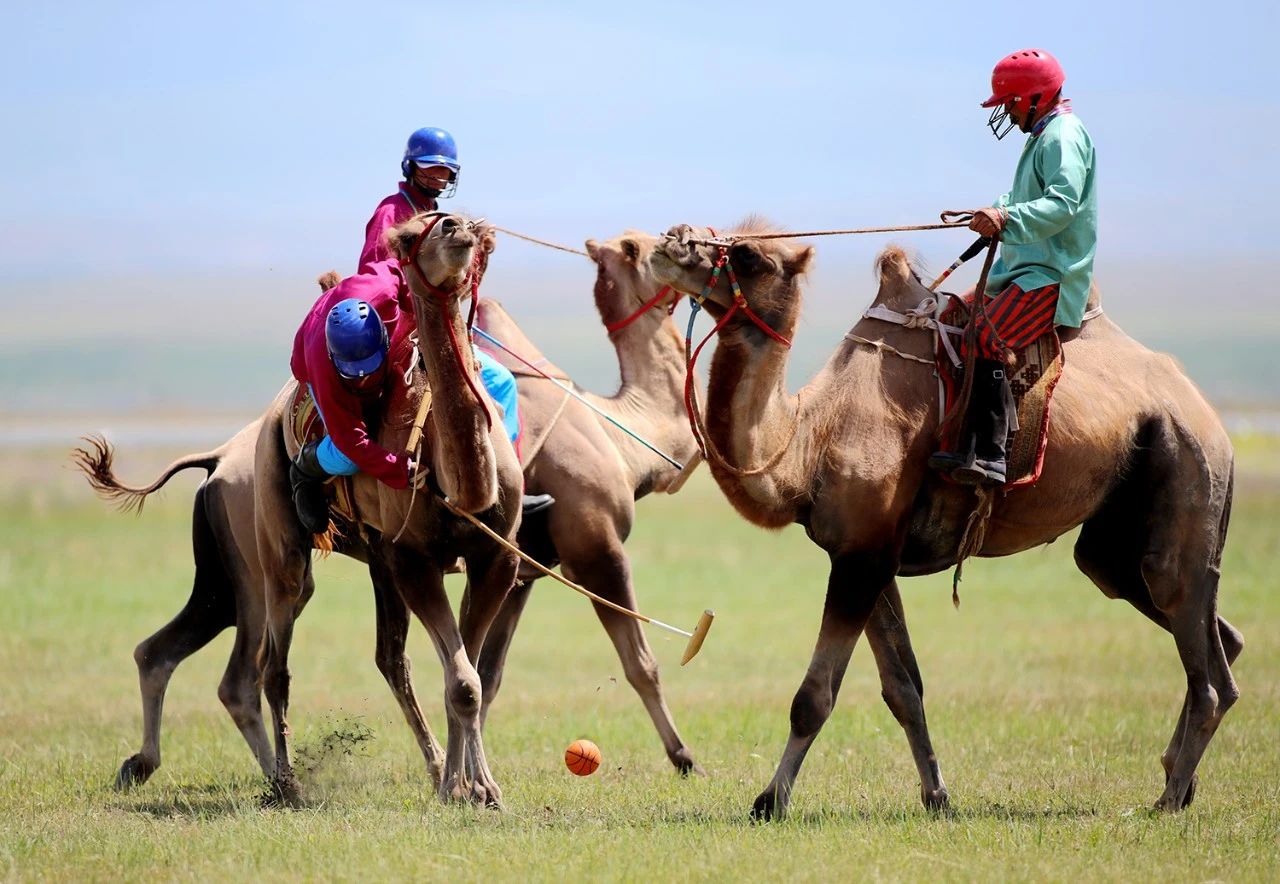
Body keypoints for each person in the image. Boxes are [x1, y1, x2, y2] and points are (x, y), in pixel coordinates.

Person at [930, 48, 1097, 485]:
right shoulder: (1041, 136)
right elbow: (1022, 197)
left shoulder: (1063, 137)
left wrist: (1006, 220)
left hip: (1051, 273)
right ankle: (960, 439)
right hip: (1024, 268)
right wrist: (993, 209)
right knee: (953, 318)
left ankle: (992, 452)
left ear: (1033, 98)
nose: (1004, 111)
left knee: (987, 335)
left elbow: (1061, 205)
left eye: (1009, 102)